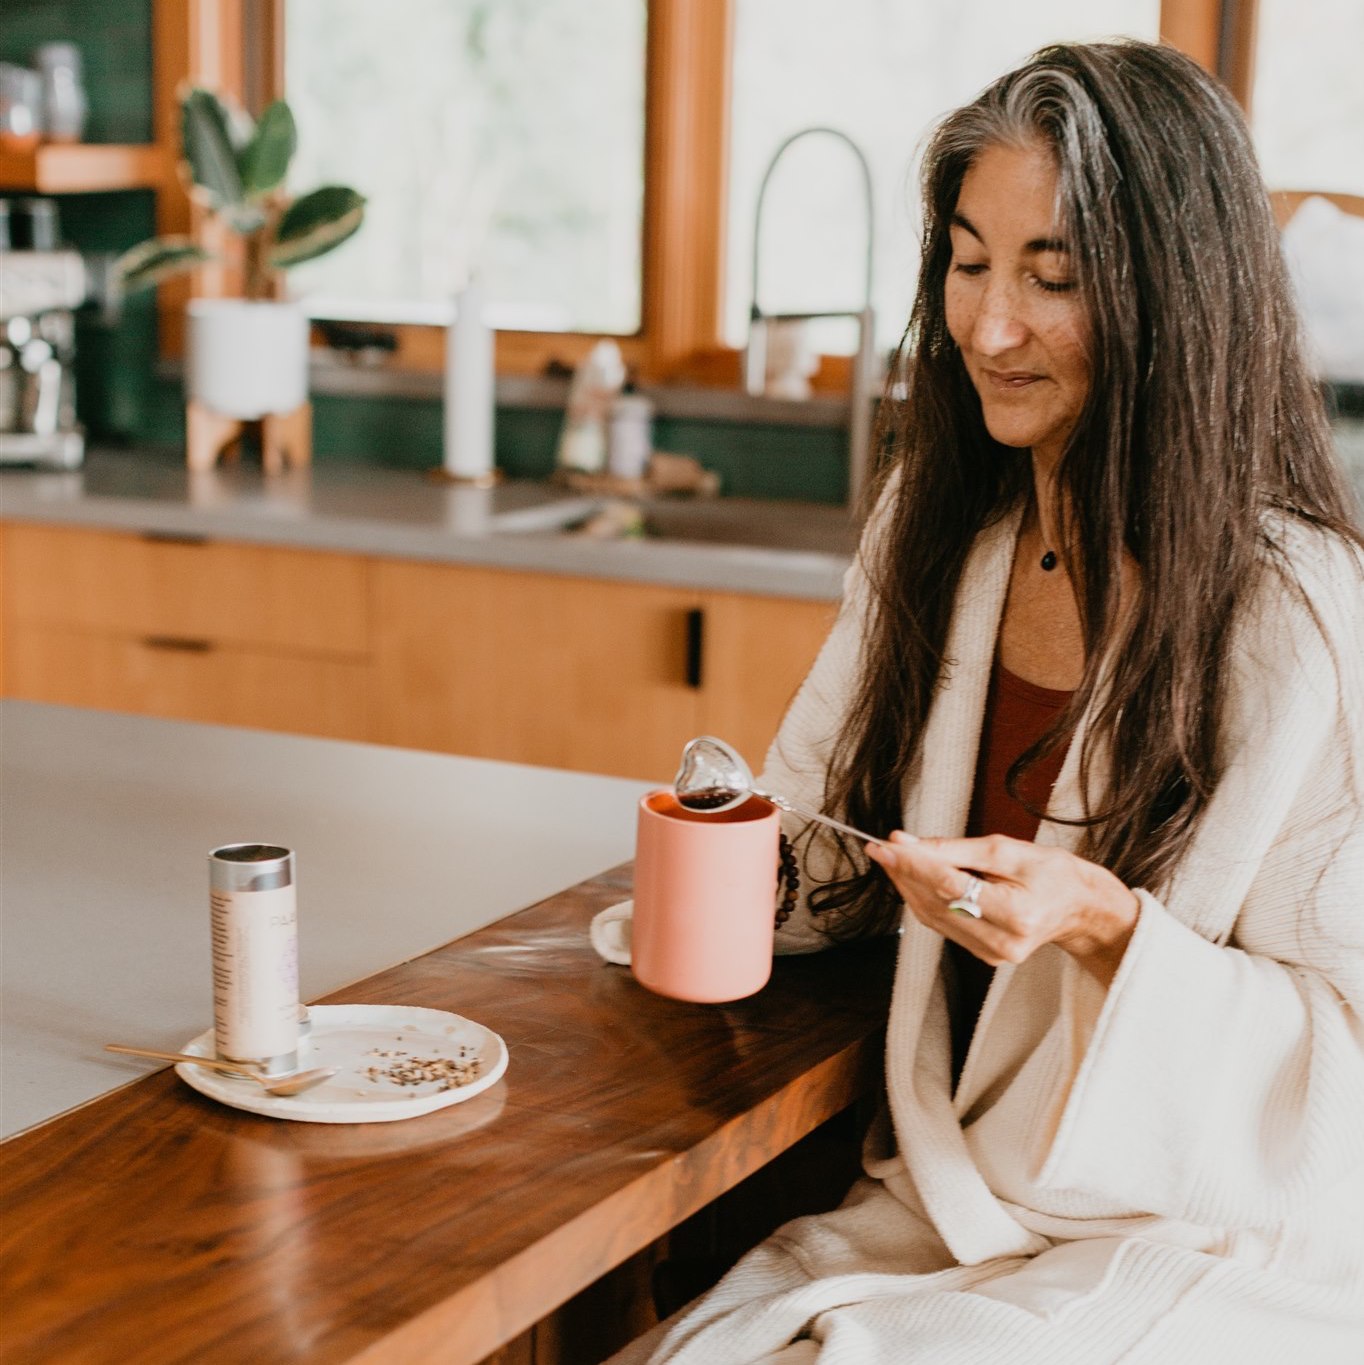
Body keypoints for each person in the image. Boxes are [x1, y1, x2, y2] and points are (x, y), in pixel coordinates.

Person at [612, 38, 1364, 1364]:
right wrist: (752, 861)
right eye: (969, 264)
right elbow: (824, 841)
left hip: (1193, 1230)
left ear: (1172, 302)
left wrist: (1109, 929)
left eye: (1051, 279)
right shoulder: (941, 523)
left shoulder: (1300, 611)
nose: (991, 327)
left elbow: (1344, 1072)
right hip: (948, 1190)